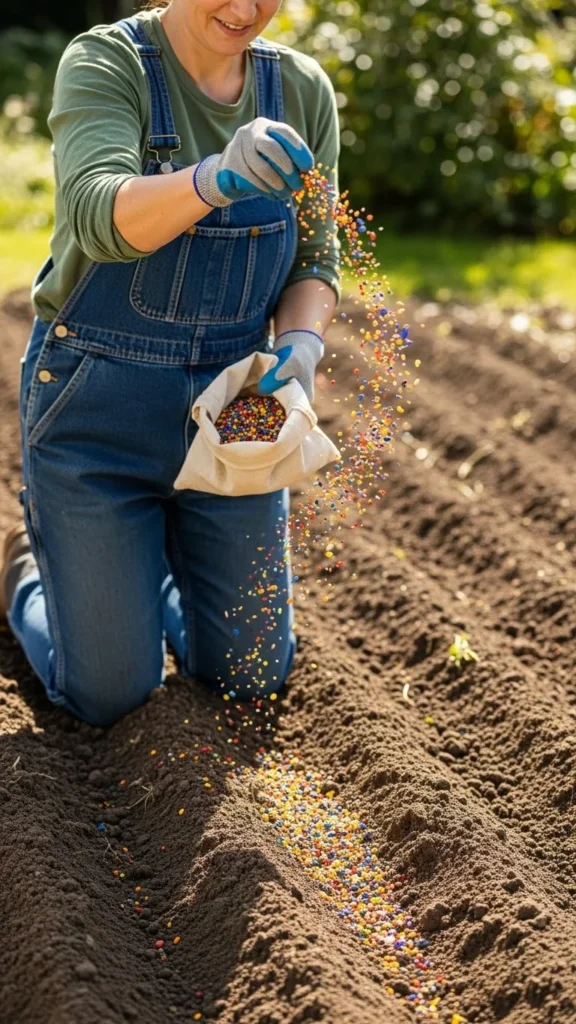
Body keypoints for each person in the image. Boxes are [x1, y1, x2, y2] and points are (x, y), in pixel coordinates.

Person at [0, 0, 340, 726]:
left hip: (229, 421)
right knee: (109, 693)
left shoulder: (302, 90)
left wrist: (302, 343)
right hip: (99, 410)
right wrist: (214, 178)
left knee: (251, 675)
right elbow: (99, 217)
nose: (245, 10)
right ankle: (26, 571)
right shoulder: (107, 63)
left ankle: (133, 574)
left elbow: (315, 258)